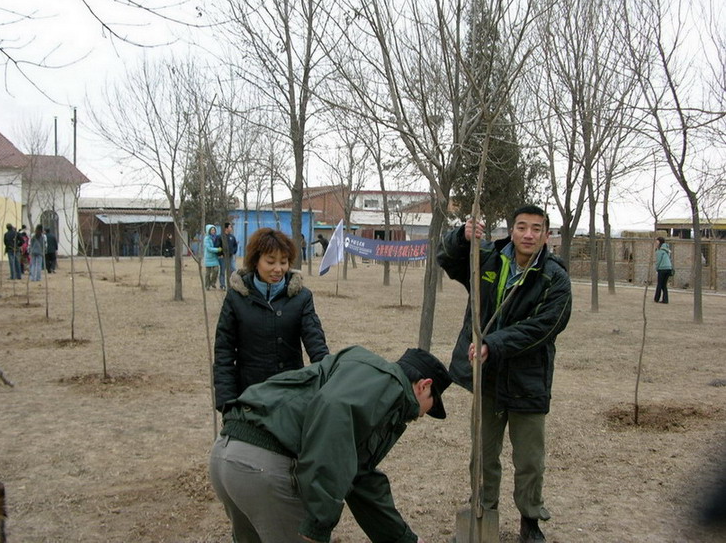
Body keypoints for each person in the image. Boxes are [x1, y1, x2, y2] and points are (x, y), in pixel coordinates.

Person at [209, 344, 452, 543]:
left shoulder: (366, 378)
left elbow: (359, 475)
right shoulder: (385, 384)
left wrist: (404, 539)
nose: (422, 416)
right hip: (263, 467)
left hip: (227, 456)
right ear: (424, 386)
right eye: (432, 406)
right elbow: (333, 421)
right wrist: (318, 523)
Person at [437, 205, 572, 543]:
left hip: (529, 380)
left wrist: (492, 344)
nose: (529, 234)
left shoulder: (554, 277)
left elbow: (545, 326)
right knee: (482, 452)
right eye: (522, 227)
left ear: (546, 235)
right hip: (489, 379)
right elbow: (447, 260)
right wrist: (461, 237)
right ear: (511, 230)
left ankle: (531, 520)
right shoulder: (490, 259)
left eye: (536, 229)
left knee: (529, 459)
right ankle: (482, 511)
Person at [213, 227, 329, 415]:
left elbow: (316, 344)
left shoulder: (302, 297)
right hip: (249, 397)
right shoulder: (236, 297)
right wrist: (227, 403)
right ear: (255, 261)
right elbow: (224, 352)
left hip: (291, 396)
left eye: (283, 262)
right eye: (270, 261)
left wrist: (330, 379)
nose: (278, 269)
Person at [217, 222, 239, 290]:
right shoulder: (220, 236)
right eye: (230, 227)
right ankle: (222, 285)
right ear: (226, 228)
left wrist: (234, 251)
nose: (231, 228)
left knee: (233, 270)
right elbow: (217, 246)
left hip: (230, 257)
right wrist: (220, 254)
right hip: (223, 257)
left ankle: (231, 284)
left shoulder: (232, 237)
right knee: (223, 271)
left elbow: (235, 245)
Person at [654, 236, 673, 304]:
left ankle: (656, 298)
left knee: (659, 284)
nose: (656, 243)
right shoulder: (667, 250)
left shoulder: (660, 251)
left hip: (662, 268)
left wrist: (656, 268)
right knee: (664, 285)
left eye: (656, 242)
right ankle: (665, 299)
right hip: (668, 268)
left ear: (659, 242)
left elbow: (658, 261)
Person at [203, 225, 221, 290]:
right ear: (209, 231)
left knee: (216, 270)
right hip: (208, 257)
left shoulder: (216, 237)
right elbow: (209, 248)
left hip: (215, 257)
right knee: (208, 273)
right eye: (212, 230)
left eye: (214, 230)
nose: (213, 231)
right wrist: (217, 250)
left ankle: (213, 282)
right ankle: (207, 285)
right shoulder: (206, 238)